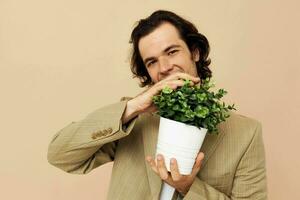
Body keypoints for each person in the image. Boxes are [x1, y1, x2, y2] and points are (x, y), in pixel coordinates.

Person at [47, 10, 267, 200]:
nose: (164, 67)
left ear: (195, 52)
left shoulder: (245, 134)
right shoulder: (133, 119)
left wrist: (189, 188)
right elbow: (60, 155)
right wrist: (134, 107)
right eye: (151, 62)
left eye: (172, 52)